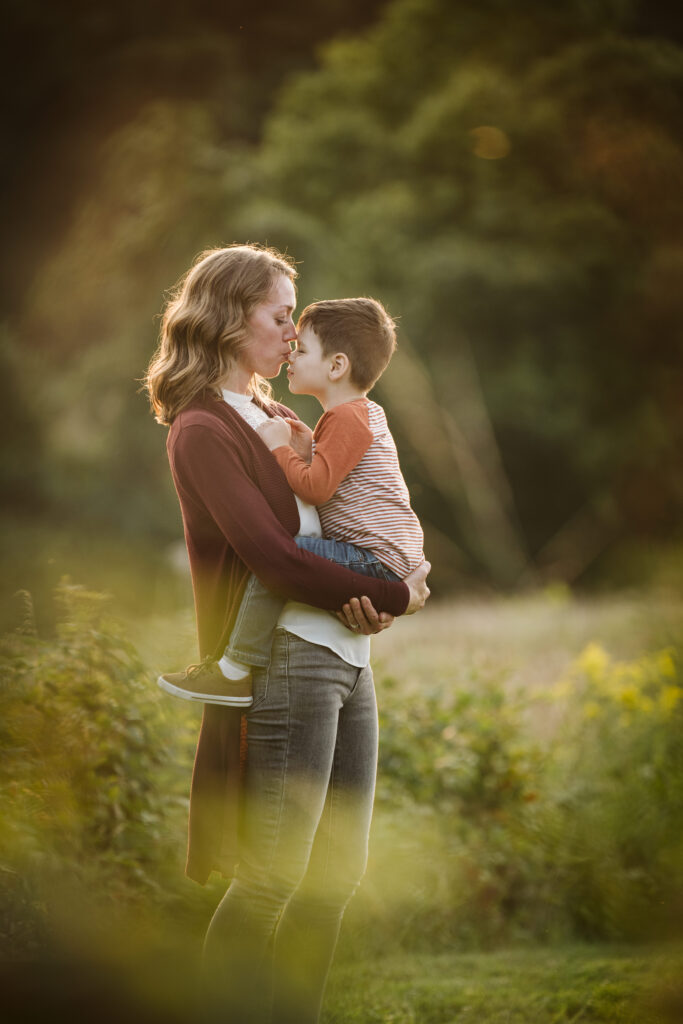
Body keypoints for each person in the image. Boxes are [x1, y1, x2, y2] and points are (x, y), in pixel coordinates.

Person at [144, 244, 430, 1024]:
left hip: (346, 657)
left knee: (336, 876)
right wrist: (394, 591)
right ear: (233, 318)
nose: (290, 330)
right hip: (283, 663)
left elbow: (340, 518)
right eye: (279, 315)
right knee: (271, 876)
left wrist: (378, 591)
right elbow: (271, 558)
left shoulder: (277, 413)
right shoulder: (203, 429)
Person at [158, 296, 425, 706]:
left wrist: (283, 452)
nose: (292, 341)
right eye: (281, 319)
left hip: (360, 608)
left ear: (336, 366)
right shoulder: (208, 427)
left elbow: (312, 496)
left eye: (301, 346)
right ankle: (235, 669)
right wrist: (305, 452)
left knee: (290, 553)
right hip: (316, 640)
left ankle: (233, 670)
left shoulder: (337, 416)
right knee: (285, 556)